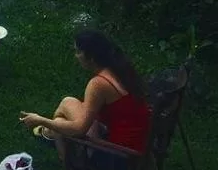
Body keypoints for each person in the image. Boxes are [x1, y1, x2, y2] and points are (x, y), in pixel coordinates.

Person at [19, 30, 151, 160]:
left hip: (120, 155)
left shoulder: (98, 84)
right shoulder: (119, 70)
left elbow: (79, 129)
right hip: (138, 144)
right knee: (67, 102)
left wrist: (40, 120)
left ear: (91, 58)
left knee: (60, 121)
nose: (76, 56)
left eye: (78, 52)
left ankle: (66, 160)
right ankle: (52, 135)